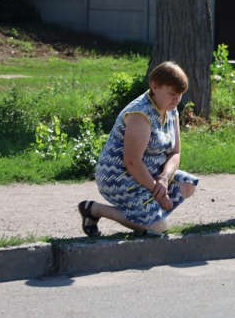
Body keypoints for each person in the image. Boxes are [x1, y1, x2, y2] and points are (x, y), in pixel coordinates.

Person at [77, 62, 198, 237]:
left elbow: (175, 152)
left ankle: (145, 213)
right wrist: (159, 194)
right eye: (172, 93)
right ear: (154, 87)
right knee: (158, 227)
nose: (177, 99)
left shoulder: (171, 109)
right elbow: (132, 161)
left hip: (151, 175)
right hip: (120, 177)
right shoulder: (140, 113)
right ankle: (94, 210)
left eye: (180, 94)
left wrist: (164, 179)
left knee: (188, 184)